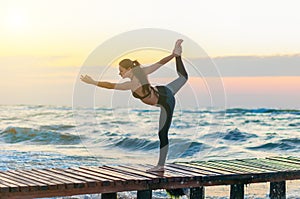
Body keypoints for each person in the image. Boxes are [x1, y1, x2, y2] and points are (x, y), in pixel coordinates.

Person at [80, 39, 188, 172]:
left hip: (166, 100)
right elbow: (159, 63)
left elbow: (110, 85)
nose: (119, 73)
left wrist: (93, 82)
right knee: (183, 78)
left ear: (129, 69)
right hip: (163, 90)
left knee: (162, 133)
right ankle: (178, 55)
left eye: (121, 70)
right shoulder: (140, 74)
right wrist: (173, 55)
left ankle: (160, 166)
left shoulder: (133, 82)